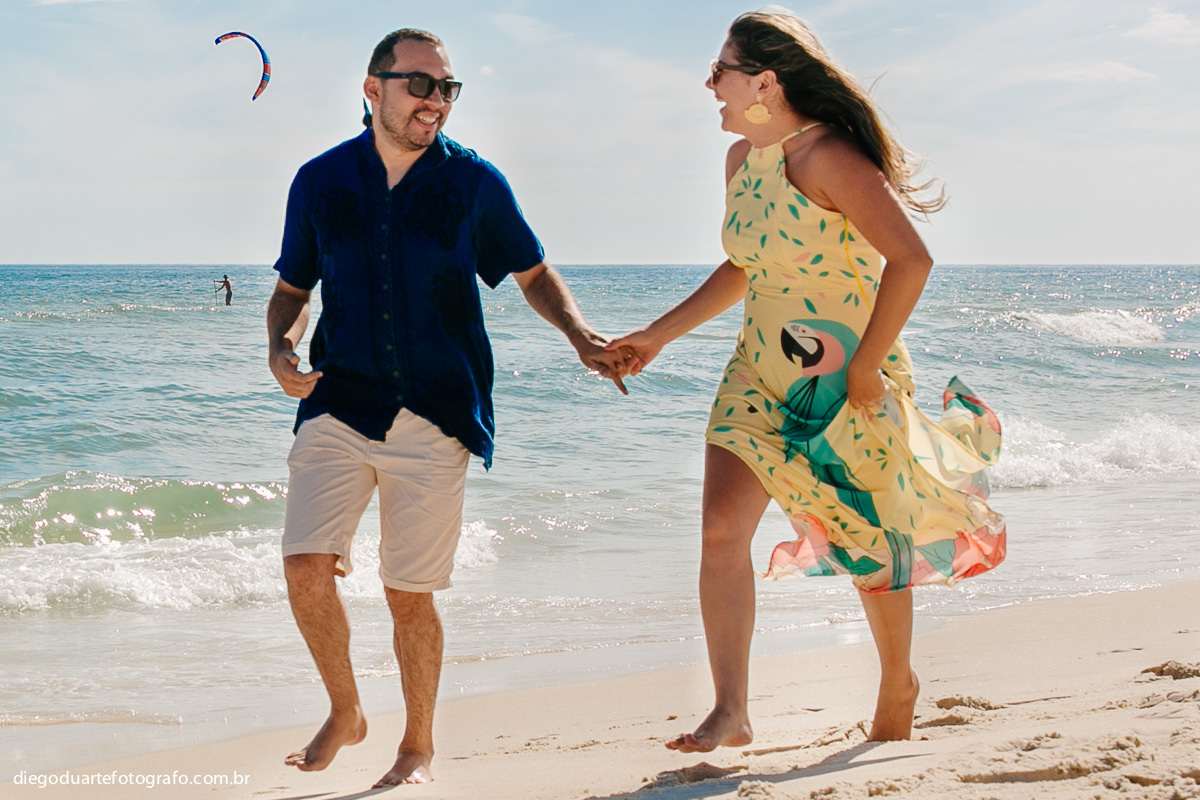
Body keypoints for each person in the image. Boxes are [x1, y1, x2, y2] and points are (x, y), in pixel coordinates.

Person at [608, 9, 1006, 751]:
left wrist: (864, 370)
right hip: (758, 370)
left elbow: (911, 260)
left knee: (867, 542)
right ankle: (732, 708)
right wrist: (657, 336)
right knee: (721, 529)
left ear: (764, 81)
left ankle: (898, 681)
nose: (709, 84)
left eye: (720, 70)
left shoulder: (829, 157)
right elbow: (747, 266)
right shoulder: (741, 164)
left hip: (846, 379)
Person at [266, 28, 628, 787]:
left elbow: (531, 273)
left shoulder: (475, 183)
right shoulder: (319, 180)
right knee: (304, 567)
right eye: (421, 85)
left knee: (408, 593)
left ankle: (418, 745)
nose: (438, 101)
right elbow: (296, 289)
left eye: (448, 88)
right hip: (339, 398)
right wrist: (282, 345)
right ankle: (346, 710)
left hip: (437, 408)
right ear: (374, 90)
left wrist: (580, 334)